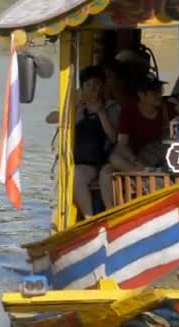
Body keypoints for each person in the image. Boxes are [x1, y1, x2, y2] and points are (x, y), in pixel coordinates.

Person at [47, 66, 119, 219]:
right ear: (83, 88)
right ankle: (89, 218)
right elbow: (50, 118)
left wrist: (100, 113)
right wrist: (75, 107)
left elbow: (113, 137)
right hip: (83, 162)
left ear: (103, 86)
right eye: (88, 85)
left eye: (97, 84)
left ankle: (109, 215)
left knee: (98, 174)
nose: (94, 89)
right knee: (76, 175)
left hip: (105, 159)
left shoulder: (111, 107)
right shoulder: (77, 109)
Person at [110, 73, 177, 172]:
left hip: (162, 156)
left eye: (160, 91)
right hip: (137, 157)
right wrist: (136, 161)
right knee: (115, 158)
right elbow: (122, 143)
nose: (159, 95)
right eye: (154, 92)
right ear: (141, 94)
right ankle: (145, 176)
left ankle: (146, 177)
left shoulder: (168, 109)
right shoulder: (129, 111)